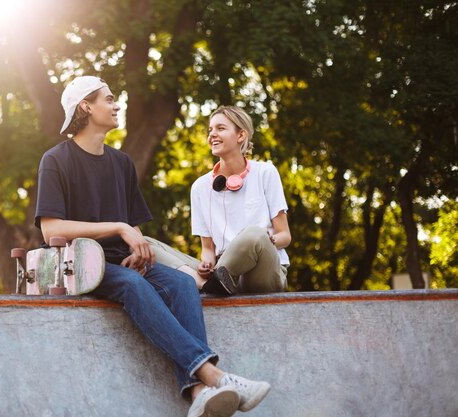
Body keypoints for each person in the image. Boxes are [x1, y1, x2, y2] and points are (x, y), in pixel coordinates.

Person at [35, 77, 271, 416]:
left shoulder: (122, 163)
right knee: (133, 285)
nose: (117, 105)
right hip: (78, 264)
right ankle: (215, 376)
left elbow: (131, 226)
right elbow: (51, 229)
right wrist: (119, 228)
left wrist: (138, 246)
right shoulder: (56, 159)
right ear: (86, 107)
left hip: (121, 262)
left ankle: (199, 394)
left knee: (182, 281)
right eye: (109, 99)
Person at [147, 105, 291, 295]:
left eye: (220, 128)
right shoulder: (200, 187)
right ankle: (207, 282)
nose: (212, 134)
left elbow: (285, 236)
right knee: (144, 243)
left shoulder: (265, 172)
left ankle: (214, 282)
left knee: (255, 233)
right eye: (210, 130)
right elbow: (207, 249)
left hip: (262, 269)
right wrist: (206, 264)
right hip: (223, 272)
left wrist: (267, 239)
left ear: (241, 136)